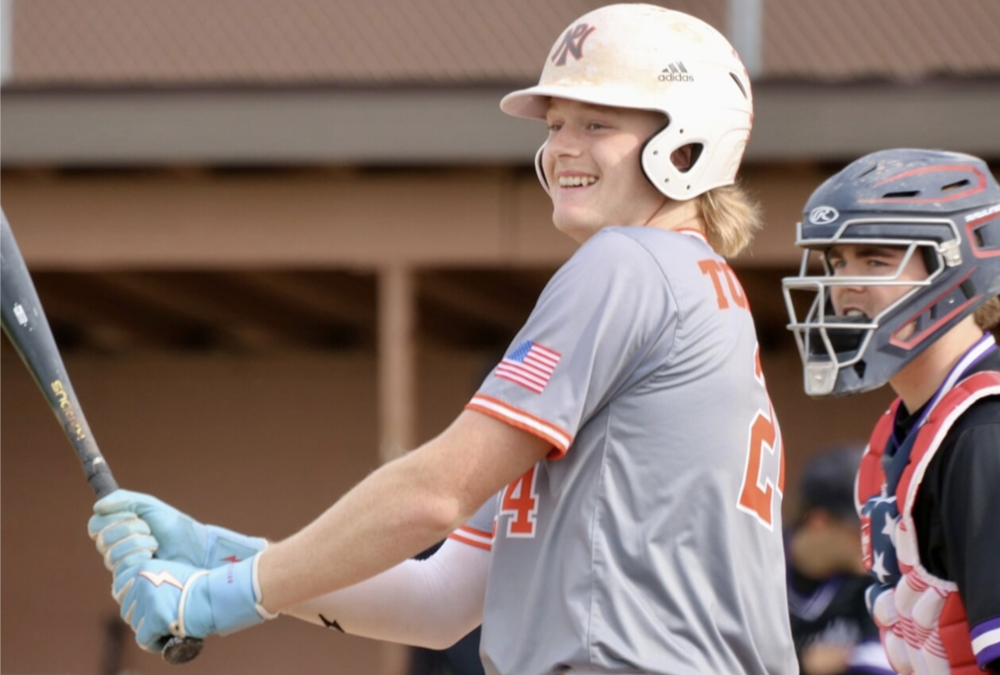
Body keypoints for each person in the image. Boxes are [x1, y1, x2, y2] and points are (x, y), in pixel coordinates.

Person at [88, 5, 799, 674]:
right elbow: (440, 601)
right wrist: (226, 557)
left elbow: (433, 495)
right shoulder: (690, 286)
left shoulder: (630, 263)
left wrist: (220, 597)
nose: (562, 149)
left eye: (597, 125)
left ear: (689, 140)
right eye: (555, 124)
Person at [782, 148, 1000, 675]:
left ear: (955, 267)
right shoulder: (910, 426)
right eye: (837, 262)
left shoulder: (983, 431)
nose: (845, 284)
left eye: (875, 259)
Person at [786, 446, 895, 675]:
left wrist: (849, 659)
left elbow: (889, 664)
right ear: (819, 521)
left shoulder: (877, 577)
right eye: (863, 528)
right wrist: (805, 663)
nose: (875, 540)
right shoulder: (760, 569)